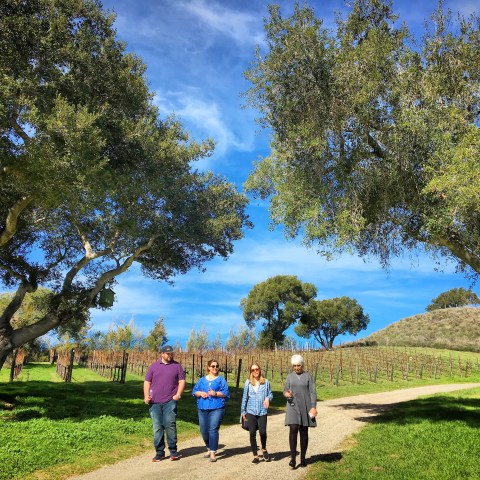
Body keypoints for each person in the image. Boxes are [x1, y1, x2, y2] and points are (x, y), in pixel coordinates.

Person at [144, 345, 186, 462]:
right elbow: (147, 382)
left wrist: (178, 394)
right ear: (162, 354)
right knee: (157, 427)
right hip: (155, 401)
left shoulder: (177, 366)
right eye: (168, 353)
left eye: (171, 353)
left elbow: (182, 381)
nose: (170, 355)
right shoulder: (154, 366)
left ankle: (173, 451)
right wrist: (146, 396)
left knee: (170, 424)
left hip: (170, 401)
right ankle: (159, 452)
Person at [192, 359, 230, 462]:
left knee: (213, 429)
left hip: (217, 408)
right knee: (203, 430)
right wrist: (200, 393)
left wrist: (216, 394)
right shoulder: (202, 380)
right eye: (213, 366)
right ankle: (209, 448)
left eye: (217, 366)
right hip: (202, 407)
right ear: (208, 367)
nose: (215, 368)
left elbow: (226, 393)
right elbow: (194, 391)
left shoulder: (221, 380)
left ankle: (213, 452)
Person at [284, 354, 317, 469]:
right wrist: (286, 393)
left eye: (298, 365)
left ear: (302, 365)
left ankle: (302, 458)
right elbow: (285, 390)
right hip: (292, 405)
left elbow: (312, 392)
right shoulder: (289, 376)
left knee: (303, 431)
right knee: (293, 429)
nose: (296, 368)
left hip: (305, 406)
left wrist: (313, 406)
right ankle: (293, 459)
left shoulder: (308, 376)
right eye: (294, 366)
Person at [240, 363, 274, 464]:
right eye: (253, 370)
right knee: (252, 433)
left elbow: (270, 394)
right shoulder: (248, 383)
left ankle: (263, 448)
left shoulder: (266, 382)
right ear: (251, 372)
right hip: (250, 411)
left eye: (257, 369)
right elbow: (244, 398)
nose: (255, 371)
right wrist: (243, 411)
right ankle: (255, 455)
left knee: (262, 432)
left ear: (260, 370)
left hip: (262, 411)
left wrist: (268, 398)